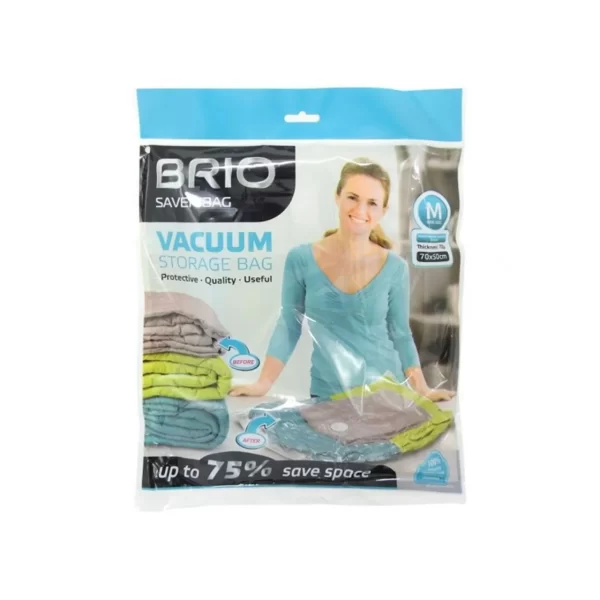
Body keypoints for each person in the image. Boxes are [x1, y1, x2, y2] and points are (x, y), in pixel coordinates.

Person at [230, 158, 455, 402]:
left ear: (383, 210)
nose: (360, 210)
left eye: (372, 203)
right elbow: (288, 325)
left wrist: (422, 389)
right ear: (337, 196)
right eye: (352, 197)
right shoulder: (301, 259)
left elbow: (400, 333)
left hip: (386, 394)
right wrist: (263, 383)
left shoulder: (395, 267)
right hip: (326, 395)